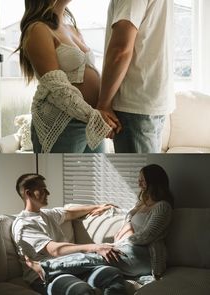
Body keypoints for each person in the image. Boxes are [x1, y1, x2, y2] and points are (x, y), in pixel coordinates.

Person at [25, 164, 174, 285]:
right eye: (139, 178)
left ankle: (45, 268)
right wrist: (105, 208)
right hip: (128, 249)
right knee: (94, 259)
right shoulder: (143, 203)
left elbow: (148, 235)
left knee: (94, 257)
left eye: (143, 179)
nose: (139, 182)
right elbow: (128, 214)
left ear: (153, 181)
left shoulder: (162, 207)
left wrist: (122, 242)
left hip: (144, 255)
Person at [15, 0, 120, 153]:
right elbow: (58, 87)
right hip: (63, 124)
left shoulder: (72, 29)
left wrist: (103, 108)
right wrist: (95, 117)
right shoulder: (37, 29)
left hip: (90, 122)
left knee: (94, 174)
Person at [12, 173, 128, 295]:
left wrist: (98, 206)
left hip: (71, 265)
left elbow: (70, 213)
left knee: (112, 274)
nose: (48, 193)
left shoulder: (47, 214)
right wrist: (96, 247)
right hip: (46, 275)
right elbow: (54, 250)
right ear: (28, 194)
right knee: (82, 291)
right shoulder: (23, 225)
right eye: (43, 190)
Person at [97, 0, 175, 153]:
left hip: (133, 104)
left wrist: (103, 104)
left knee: (135, 170)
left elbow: (121, 50)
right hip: (149, 100)